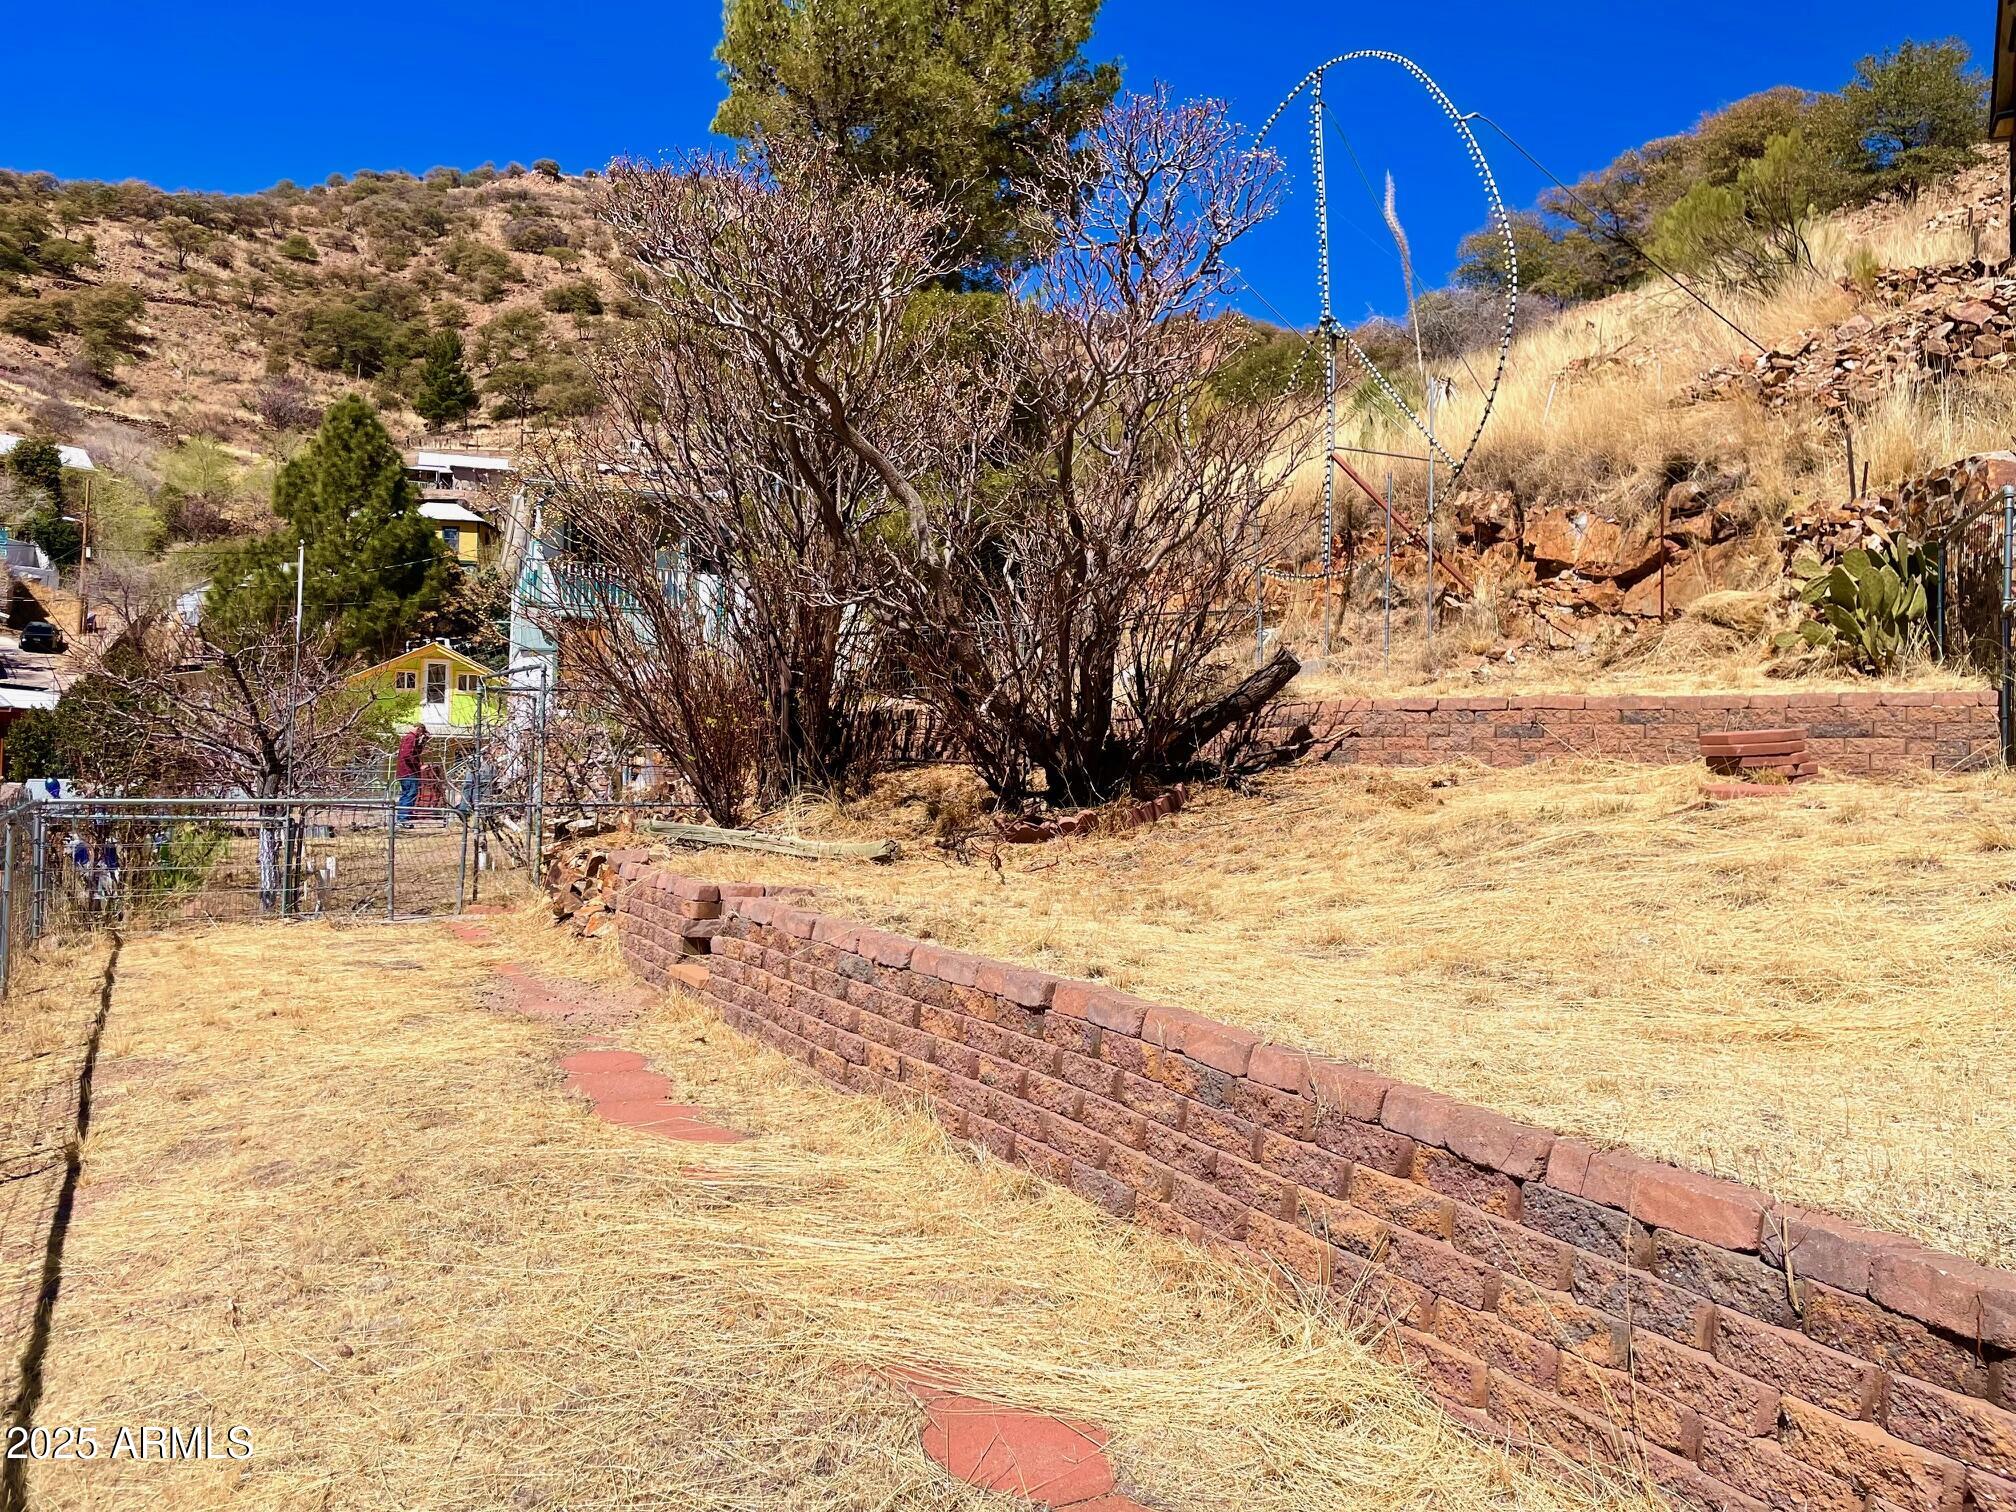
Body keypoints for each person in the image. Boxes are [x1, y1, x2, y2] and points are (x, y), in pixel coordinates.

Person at [395, 726, 427, 826]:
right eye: (421, 732)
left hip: (407, 772)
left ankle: (405, 815)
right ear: (418, 729)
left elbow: (416, 752)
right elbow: (407, 755)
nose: (421, 735)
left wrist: (423, 742)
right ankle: (402, 818)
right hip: (408, 772)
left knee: (409, 793)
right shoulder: (411, 738)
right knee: (409, 793)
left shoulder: (411, 738)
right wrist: (418, 765)